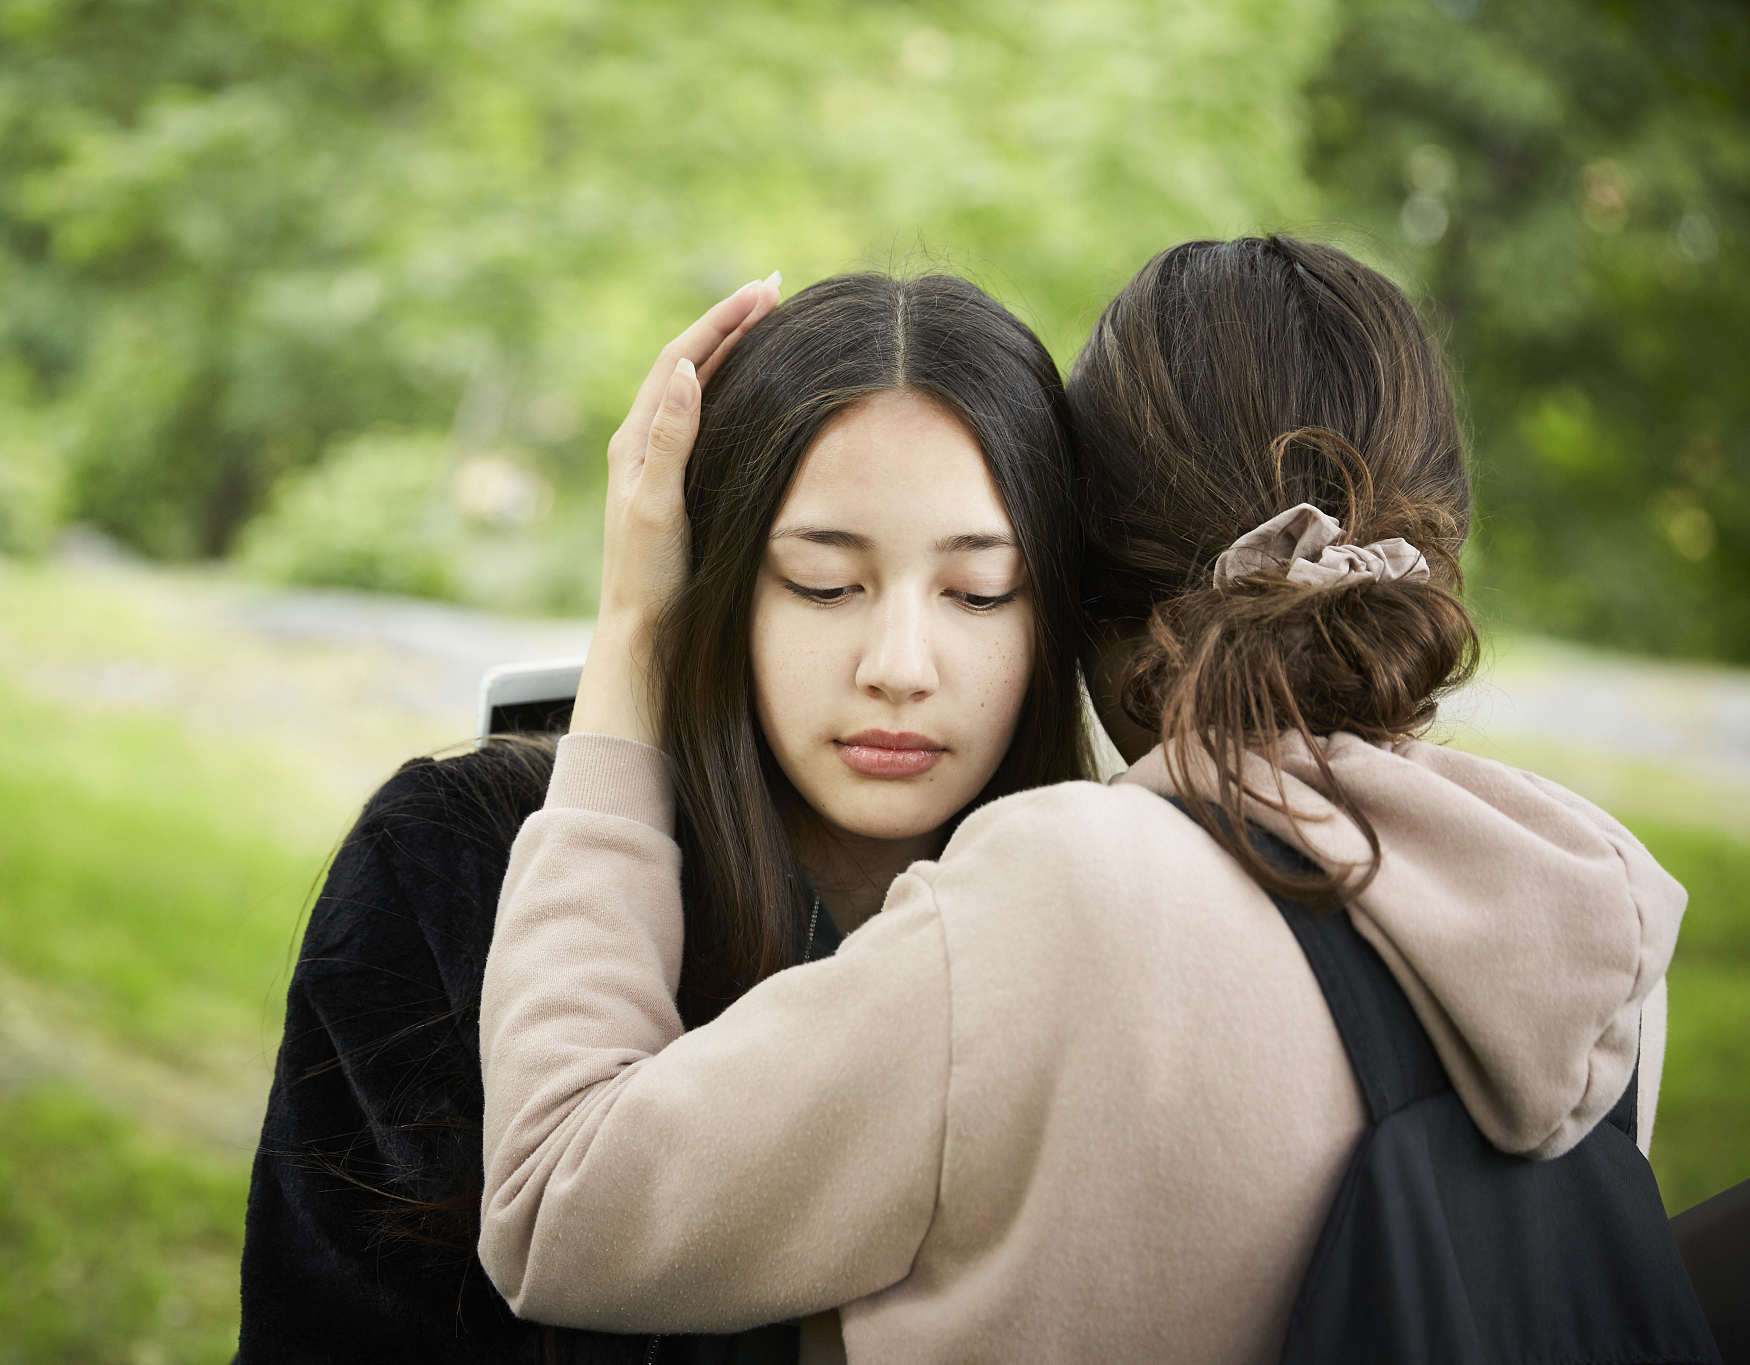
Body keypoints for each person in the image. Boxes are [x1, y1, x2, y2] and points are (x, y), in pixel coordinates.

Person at [477, 235, 1686, 1363]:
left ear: (1080, 584)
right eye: (823, 583)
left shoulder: (1062, 899)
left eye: (983, 589)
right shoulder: (1590, 898)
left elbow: (554, 1205)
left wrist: (636, 623)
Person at [237, 271, 1096, 1363]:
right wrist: (636, 621)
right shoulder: (449, 862)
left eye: (978, 593)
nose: (899, 668)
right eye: (823, 582)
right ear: (718, 571)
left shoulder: (1102, 936)